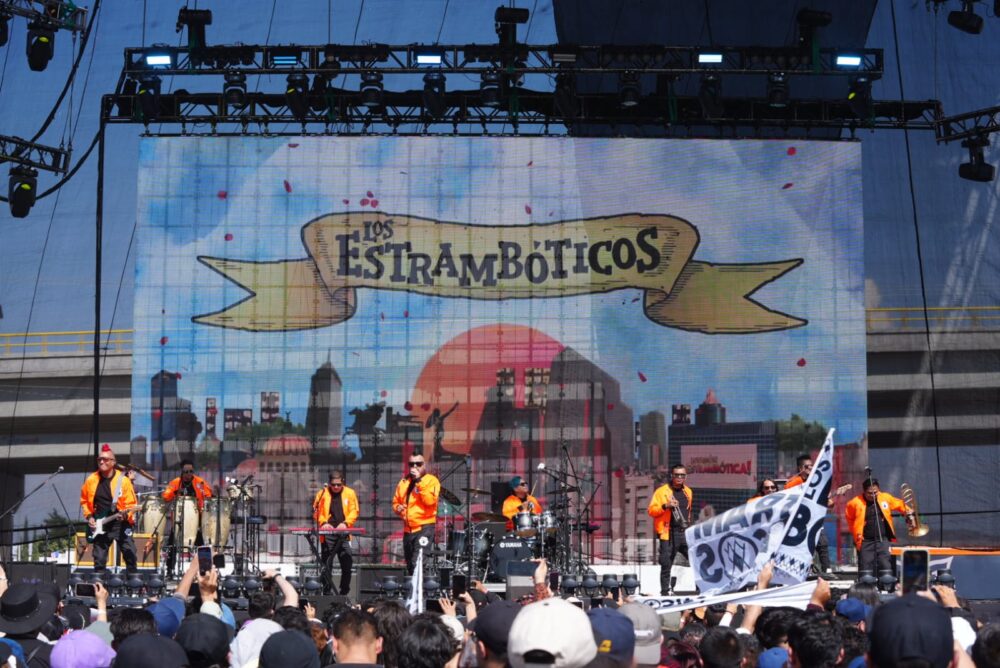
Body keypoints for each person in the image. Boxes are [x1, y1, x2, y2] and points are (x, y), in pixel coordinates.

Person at [80, 443, 139, 572]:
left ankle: (132, 582)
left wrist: (126, 515)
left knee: (130, 554)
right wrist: (89, 517)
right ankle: (99, 582)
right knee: (99, 559)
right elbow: (84, 500)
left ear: (113, 462)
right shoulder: (91, 480)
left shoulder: (123, 480)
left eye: (105, 459)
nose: (101, 462)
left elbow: (131, 504)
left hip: (121, 523)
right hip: (101, 524)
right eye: (99, 459)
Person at [844, 478, 915, 576]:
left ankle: (886, 584)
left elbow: (899, 504)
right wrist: (856, 532)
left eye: (875, 492)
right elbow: (849, 518)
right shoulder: (854, 503)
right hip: (865, 541)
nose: (873, 495)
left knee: (885, 565)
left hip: (883, 539)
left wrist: (908, 512)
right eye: (870, 493)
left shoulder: (885, 497)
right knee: (866, 568)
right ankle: (867, 585)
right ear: (864, 491)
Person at [312, 471, 360, 596]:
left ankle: (344, 592)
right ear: (329, 483)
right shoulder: (322, 493)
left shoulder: (350, 493)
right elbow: (316, 511)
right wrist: (323, 523)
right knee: (327, 565)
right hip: (328, 533)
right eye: (333, 485)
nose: (336, 487)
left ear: (343, 482)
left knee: (347, 563)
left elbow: (354, 511)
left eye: (339, 484)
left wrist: (346, 523)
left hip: (343, 533)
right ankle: (326, 592)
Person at [647, 464, 693, 595]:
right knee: (666, 564)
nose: (680, 477)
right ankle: (665, 592)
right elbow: (651, 511)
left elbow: (688, 511)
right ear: (672, 476)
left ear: (685, 477)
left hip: (684, 532)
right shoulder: (662, 491)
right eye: (677, 475)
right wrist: (665, 506)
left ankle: (702, 588)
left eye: (682, 475)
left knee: (695, 560)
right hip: (667, 533)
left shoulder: (688, 492)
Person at [162, 458, 214, 573]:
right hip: (179, 519)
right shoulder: (176, 482)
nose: (189, 474)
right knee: (172, 543)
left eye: (191, 471)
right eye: (186, 472)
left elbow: (209, 495)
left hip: (195, 519)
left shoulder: (199, 482)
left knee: (201, 544)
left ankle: (205, 570)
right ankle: (170, 570)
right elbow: (165, 497)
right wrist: (175, 492)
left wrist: (206, 501)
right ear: (182, 471)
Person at [392, 454, 441, 574]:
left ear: (424, 465)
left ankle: (422, 586)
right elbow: (395, 502)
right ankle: (418, 586)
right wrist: (398, 508)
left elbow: (430, 501)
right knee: (410, 565)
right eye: (411, 464)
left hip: (424, 527)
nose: (414, 467)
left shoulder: (431, 480)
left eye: (418, 464)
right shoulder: (404, 482)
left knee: (417, 563)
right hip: (408, 529)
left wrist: (419, 481)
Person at [784, 454, 832, 573]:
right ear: (800, 468)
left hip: (815, 520)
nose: (811, 468)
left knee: (823, 546)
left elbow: (829, 503)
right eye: (807, 466)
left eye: (812, 466)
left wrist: (828, 501)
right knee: (802, 549)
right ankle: (804, 573)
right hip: (800, 523)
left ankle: (827, 572)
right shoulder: (792, 483)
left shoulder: (818, 482)